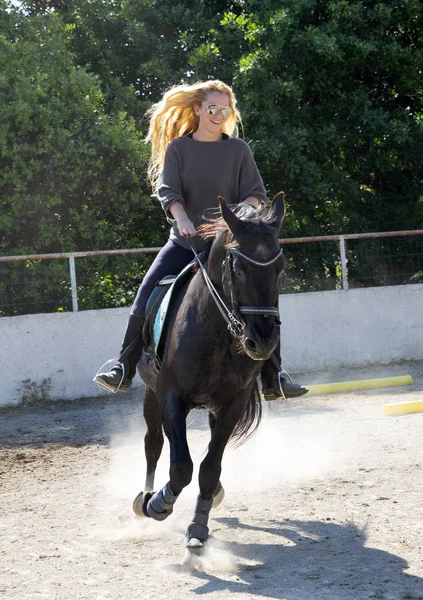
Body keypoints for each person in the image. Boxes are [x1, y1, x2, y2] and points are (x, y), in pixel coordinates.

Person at [94, 80, 307, 400]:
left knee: (262, 296)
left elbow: (256, 195)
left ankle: (274, 375)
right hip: (186, 242)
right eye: (213, 108)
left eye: (225, 109)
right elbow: (169, 192)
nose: (219, 114)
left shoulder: (238, 150)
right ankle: (123, 365)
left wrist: (238, 220)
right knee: (146, 293)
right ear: (197, 109)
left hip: (231, 245)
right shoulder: (178, 149)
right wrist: (181, 219)